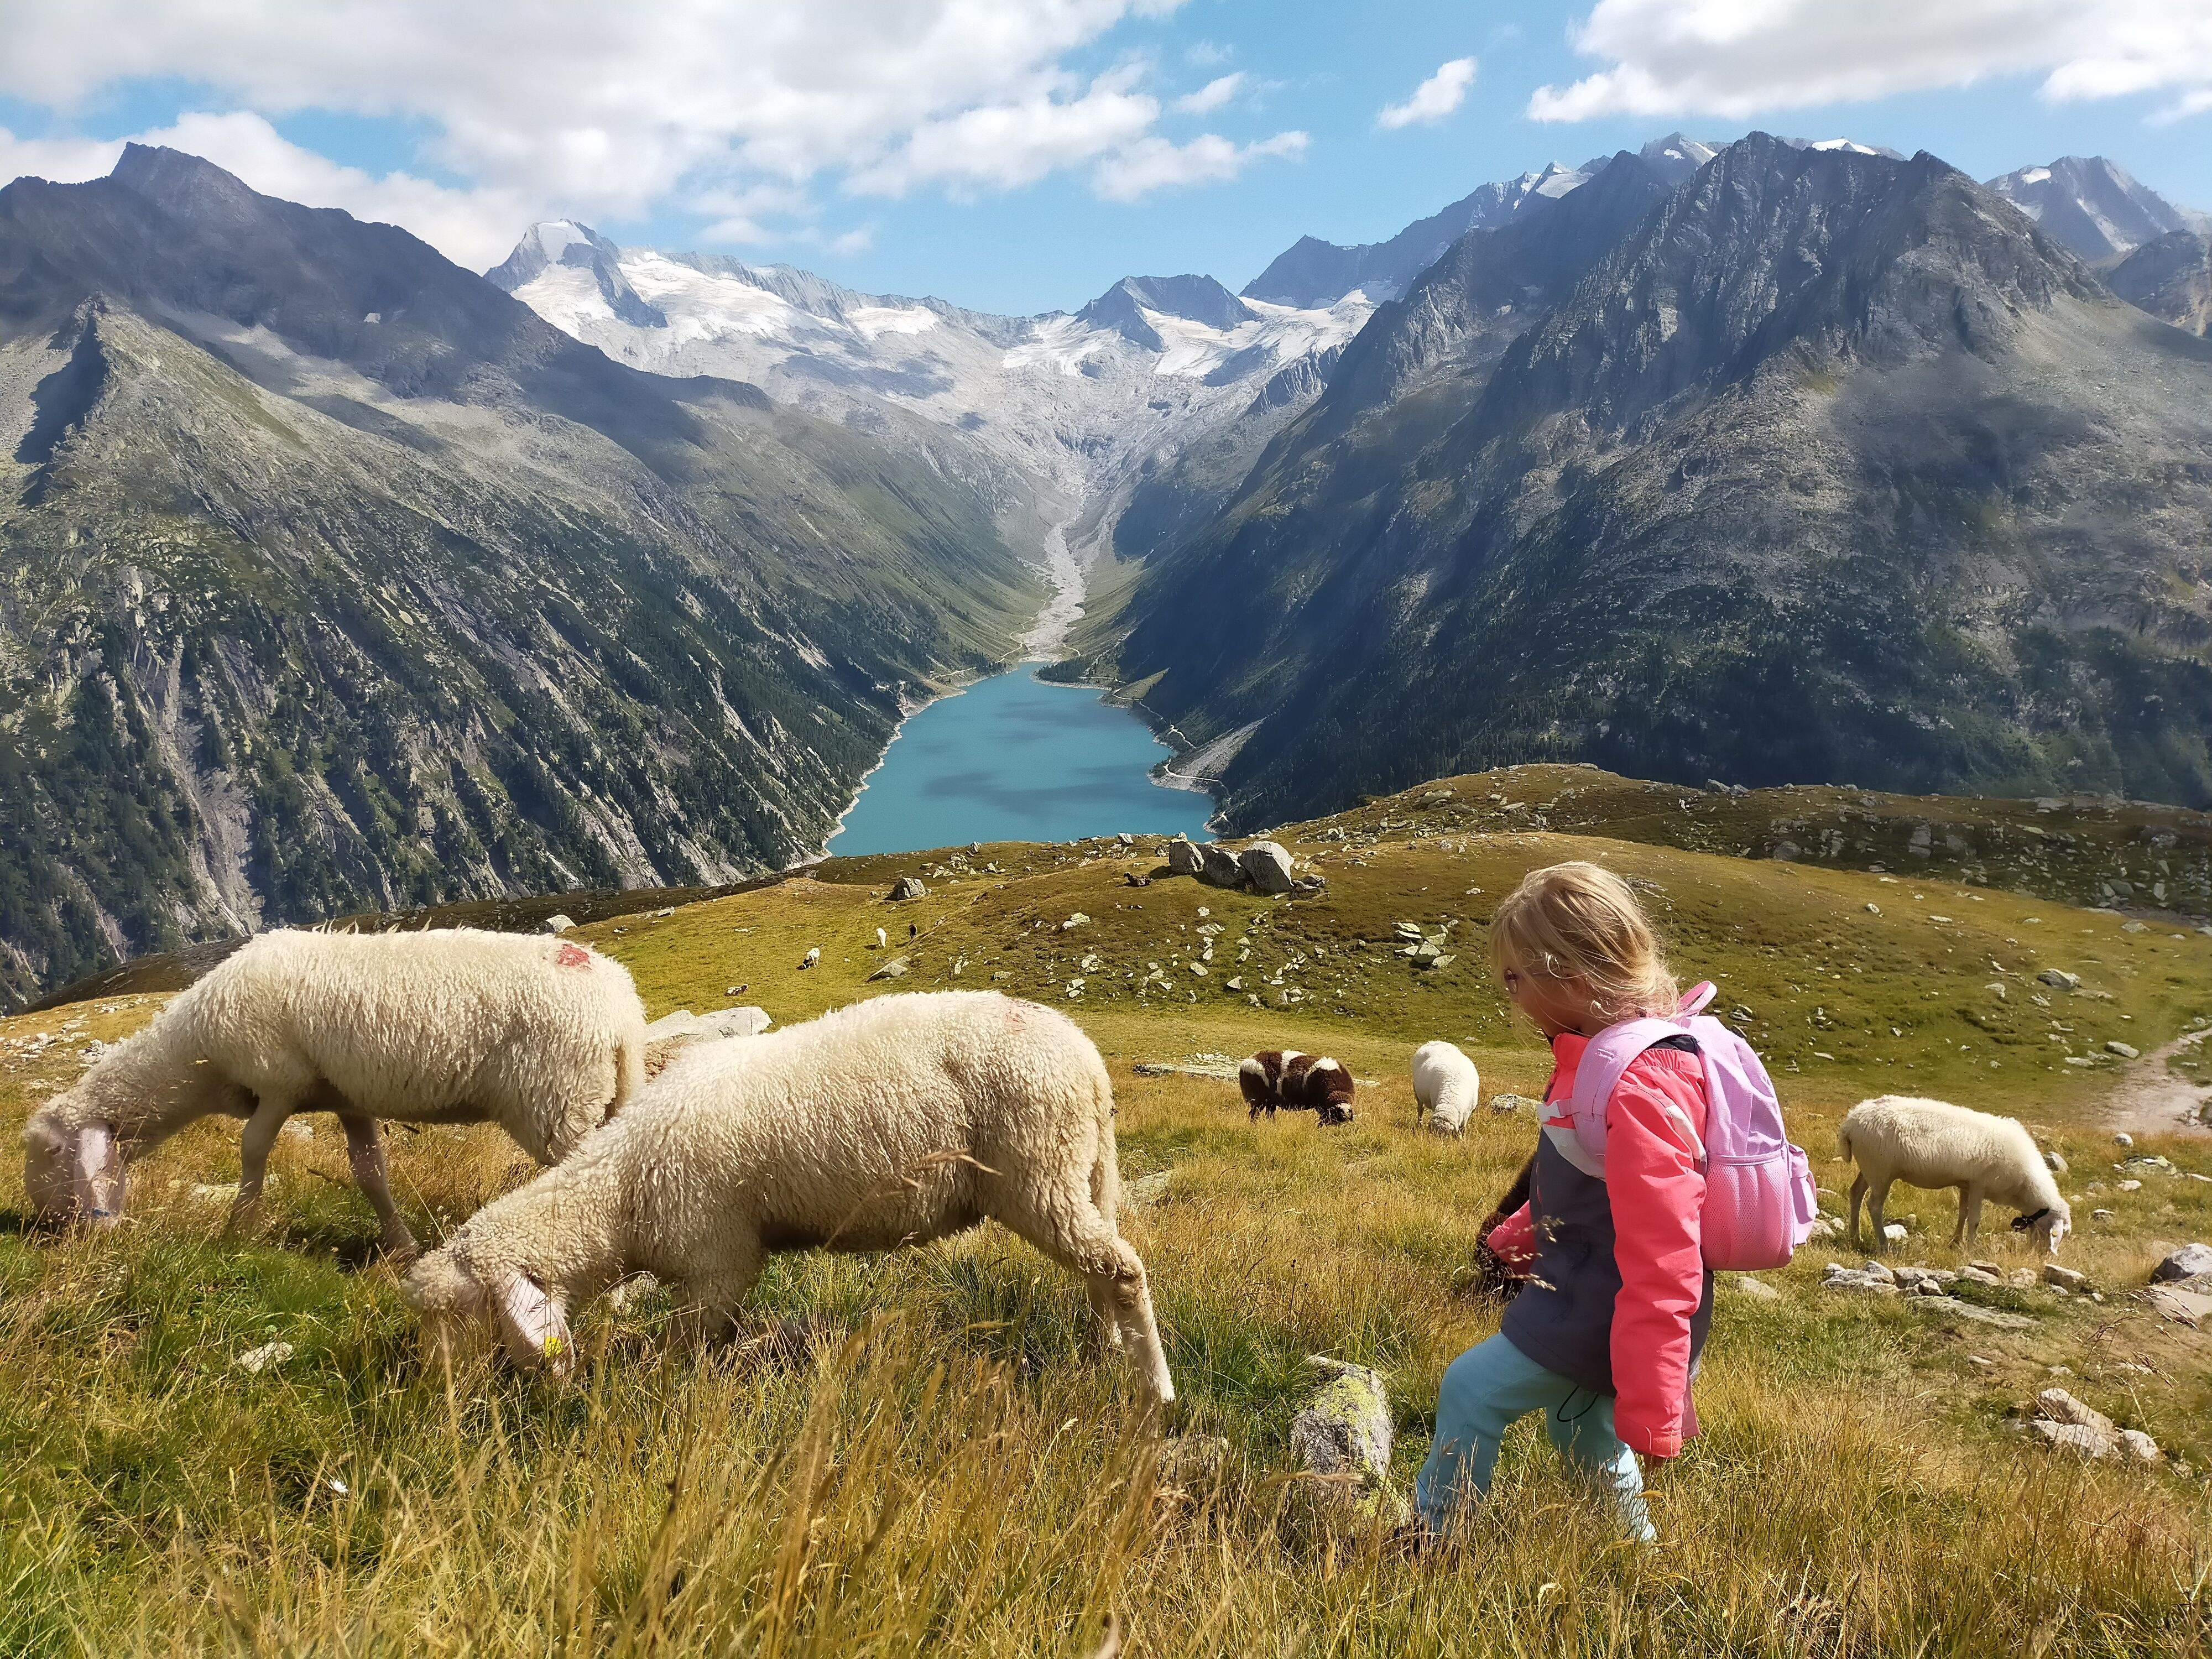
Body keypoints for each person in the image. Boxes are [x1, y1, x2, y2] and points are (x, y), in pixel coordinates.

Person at [1413, 861, 1713, 1543]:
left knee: (1470, 1390)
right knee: (1580, 1430)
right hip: (1595, 1297)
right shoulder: (1604, 1058)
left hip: (1604, 1310)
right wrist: (1520, 1232)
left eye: (1516, 977)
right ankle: (1630, 1555)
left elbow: (1666, 1247)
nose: (1509, 993)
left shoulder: (1635, 1085)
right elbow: (1587, 1181)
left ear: (1571, 980)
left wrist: (1657, 1390)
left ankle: (1437, 1541)